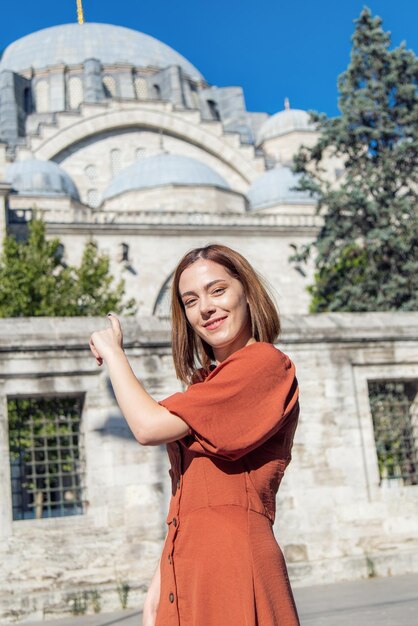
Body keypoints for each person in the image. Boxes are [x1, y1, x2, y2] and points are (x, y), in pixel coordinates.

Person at [89, 243, 300, 626]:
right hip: (188, 563)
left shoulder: (264, 364)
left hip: (232, 566)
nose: (205, 308)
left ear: (247, 294)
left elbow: (148, 426)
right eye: (190, 300)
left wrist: (114, 354)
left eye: (217, 290)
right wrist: (161, 576)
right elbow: (189, 501)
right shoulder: (206, 387)